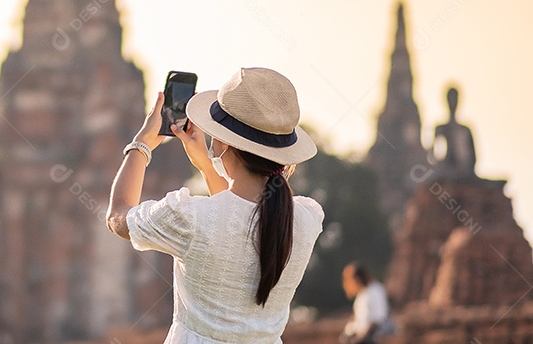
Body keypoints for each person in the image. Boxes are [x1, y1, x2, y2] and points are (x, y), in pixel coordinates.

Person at [106, 67, 325, 343]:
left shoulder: (188, 217)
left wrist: (142, 144)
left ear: (220, 141)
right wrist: (208, 168)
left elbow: (118, 215)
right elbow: (238, 215)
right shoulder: (306, 220)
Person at [340, 263, 391, 344]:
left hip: (372, 336)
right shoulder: (362, 295)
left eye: (348, 280)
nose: (345, 284)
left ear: (357, 279)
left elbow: (377, 319)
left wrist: (361, 337)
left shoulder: (375, 291)